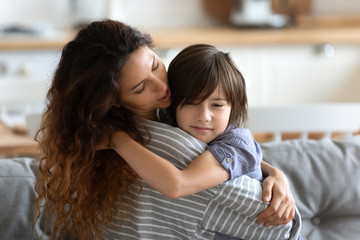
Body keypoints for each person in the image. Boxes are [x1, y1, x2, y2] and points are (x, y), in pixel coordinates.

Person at [34, 19, 299, 240]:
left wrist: (274, 174)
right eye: (141, 87)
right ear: (111, 99)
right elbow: (184, 179)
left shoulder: (162, 117)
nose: (162, 87)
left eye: (155, 65)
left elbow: (228, 154)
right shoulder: (154, 140)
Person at [104, 43, 302, 239]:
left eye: (217, 105)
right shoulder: (168, 119)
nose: (204, 116)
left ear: (233, 108)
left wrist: (116, 140)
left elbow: (178, 185)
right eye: (191, 103)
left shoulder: (236, 141)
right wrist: (274, 172)